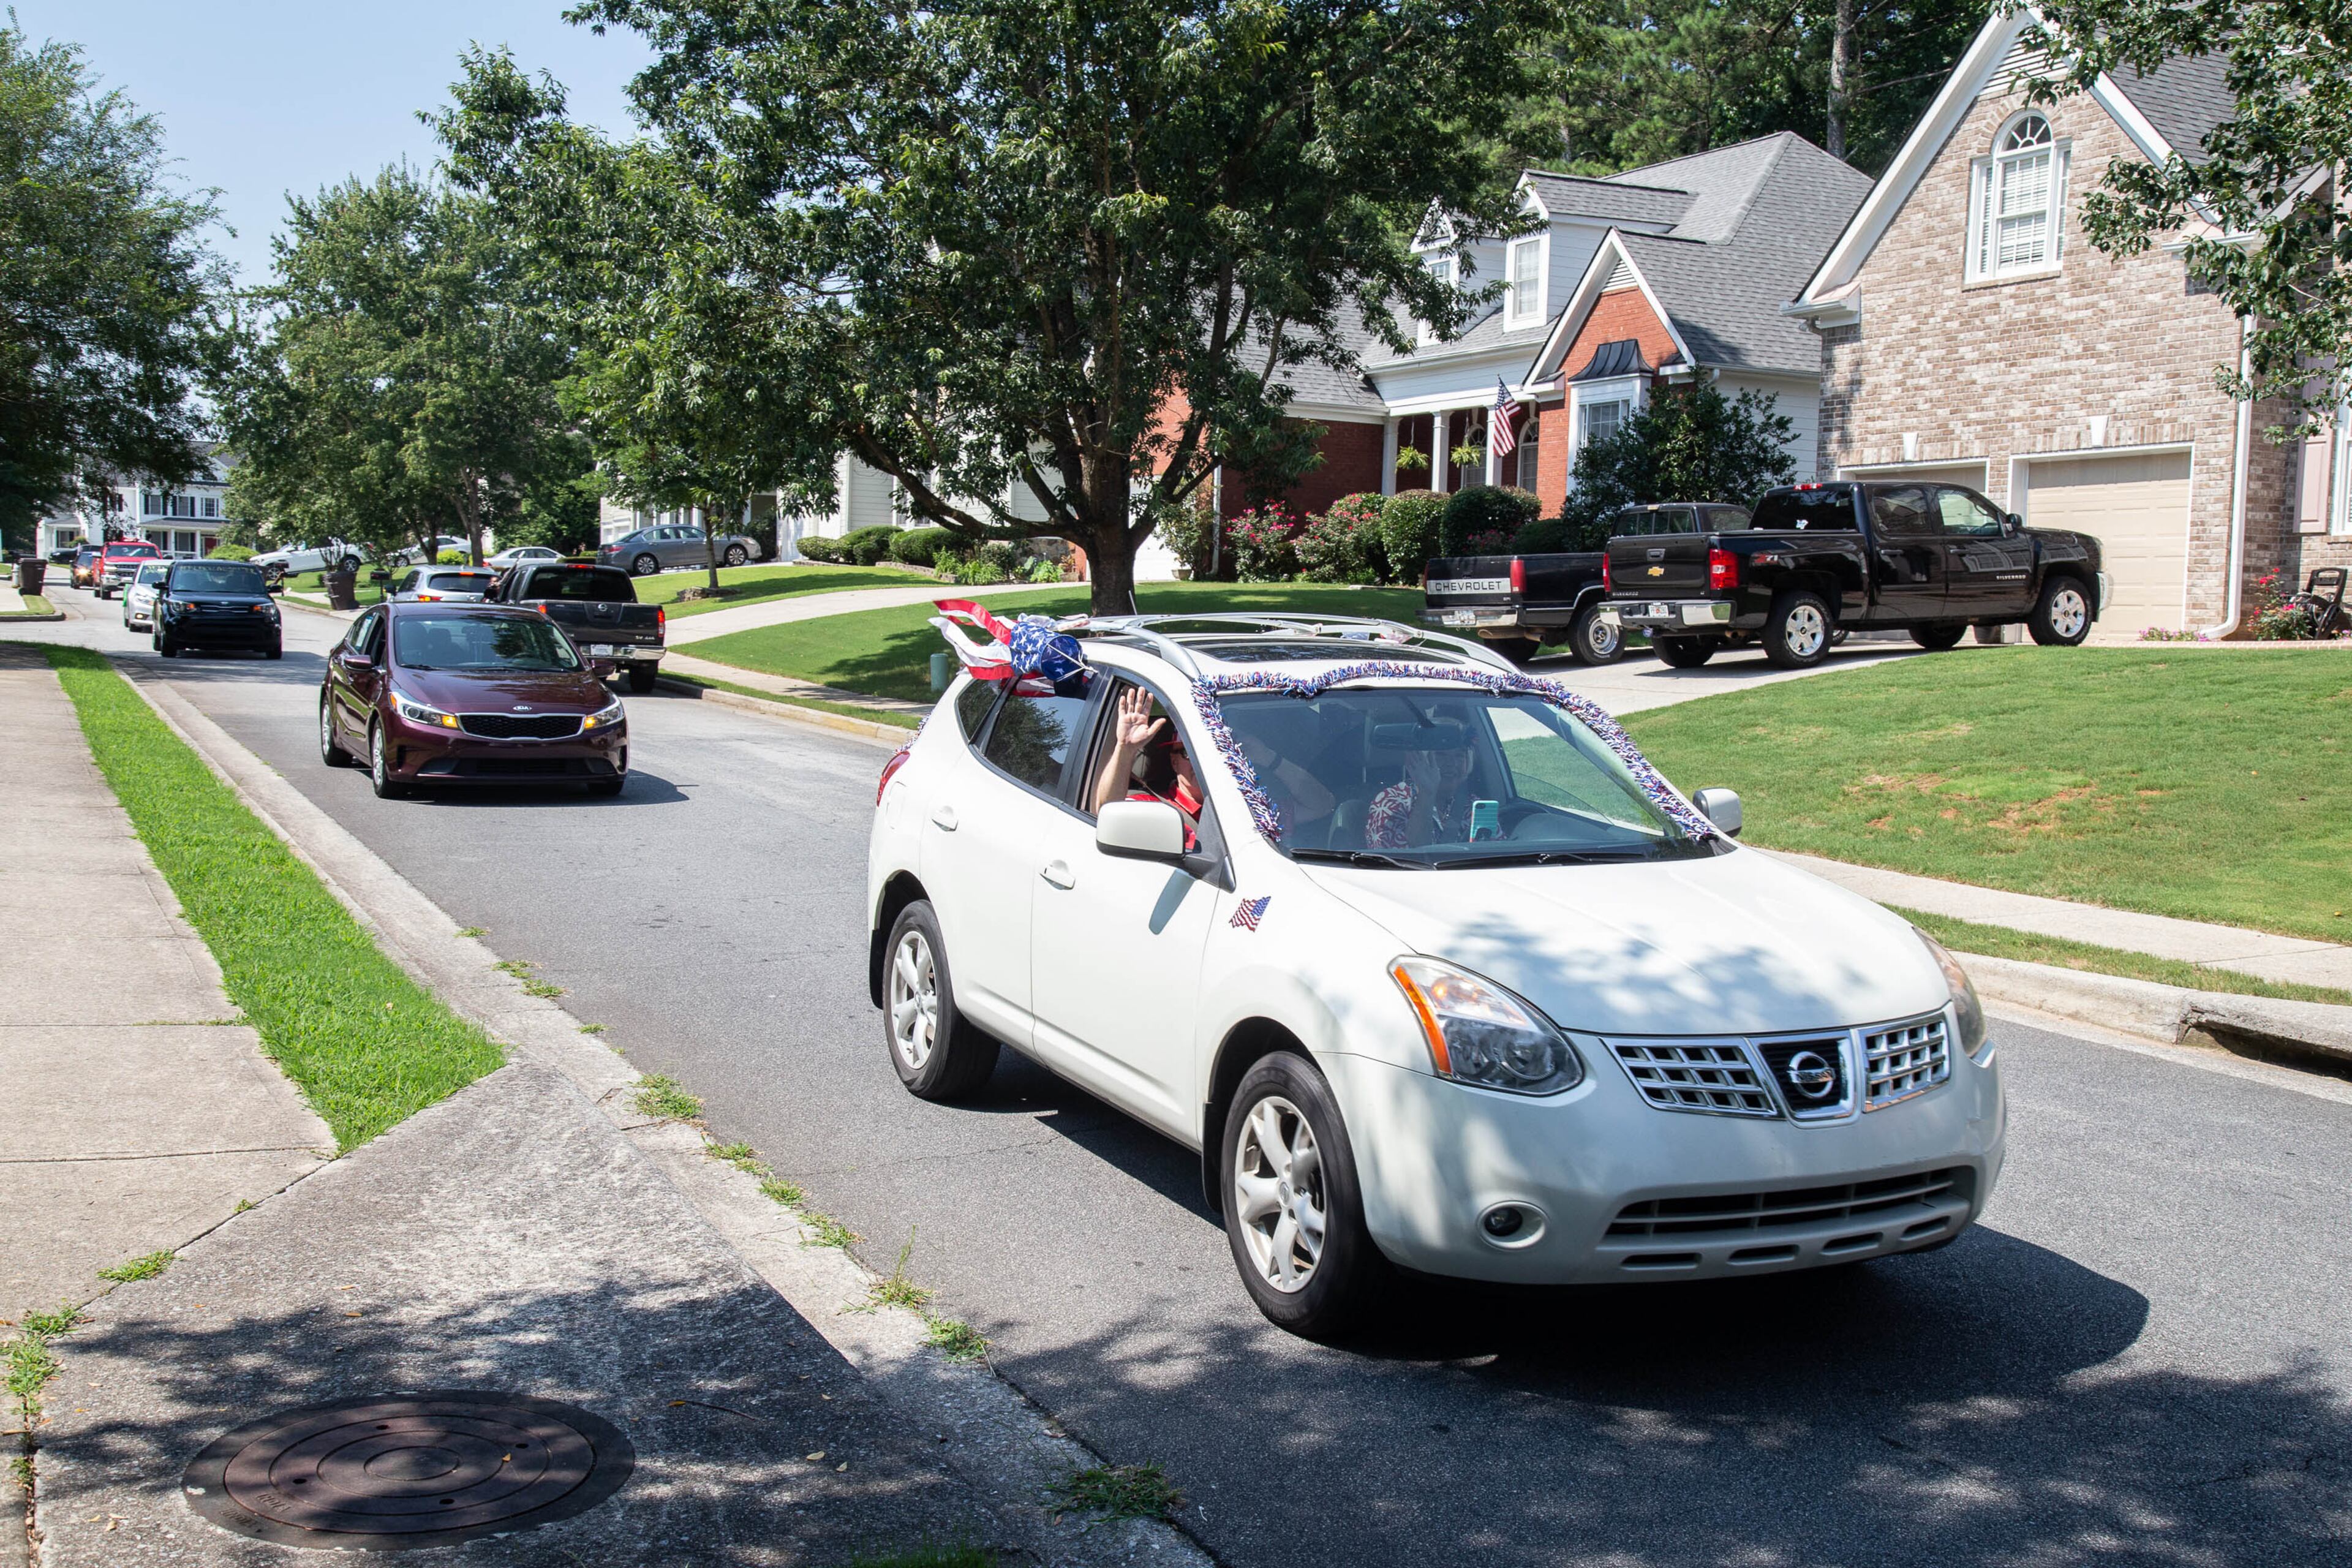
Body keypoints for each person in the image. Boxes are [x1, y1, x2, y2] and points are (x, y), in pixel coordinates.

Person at [1093, 686, 1204, 845]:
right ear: (1174, 762)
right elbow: (1108, 810)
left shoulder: (1237, 807)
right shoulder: (1152, 807)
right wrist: (1125, 748)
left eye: (1203, 755)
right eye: (1188, 754)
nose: (1198, 762)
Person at [1365, 723, 1478, 849]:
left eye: (1459, 755)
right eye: (1441, 754)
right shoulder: (1390, 803)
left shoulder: (1474, 806)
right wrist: (1427, 793)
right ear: (1419, 759)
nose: (1451, 763)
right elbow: (1399, 861)